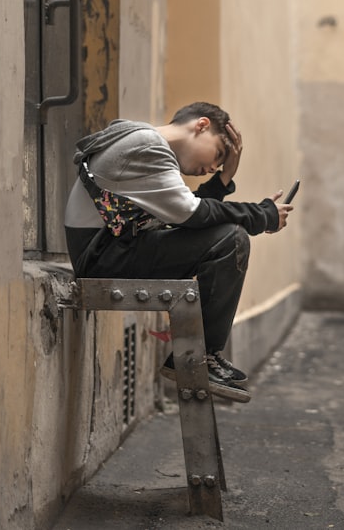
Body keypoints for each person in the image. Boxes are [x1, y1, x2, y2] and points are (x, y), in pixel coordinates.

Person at [63, 102, 293, 403]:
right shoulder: (147, 146)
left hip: (109, 250)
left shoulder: (144, 143)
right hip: (101, 256)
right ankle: (202, 357)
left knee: (225, 237)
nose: (213, 167)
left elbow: (184, 215)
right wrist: (261, 215)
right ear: (201, 125)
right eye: (218, 156)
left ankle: (202, 355)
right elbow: (191, 214)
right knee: (232, 239)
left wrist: (224, 181)